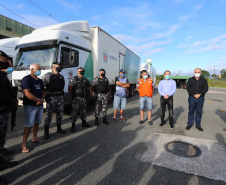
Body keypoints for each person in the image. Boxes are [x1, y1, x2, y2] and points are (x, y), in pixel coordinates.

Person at [0, 51, 18, 175]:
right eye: (5, 60)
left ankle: (1, 154)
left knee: (1, 135)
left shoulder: (3, 77)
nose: (9, 63)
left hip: (4, 111)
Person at [21, 63, 45, 153]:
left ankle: (34, 137)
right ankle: (24, 144)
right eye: (38, 69)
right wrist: (38, 100)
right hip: (30, 106)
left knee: (37, 122)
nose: (40, 70)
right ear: (32, 69)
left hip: (39, 105)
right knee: (29, 125)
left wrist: (42, 99)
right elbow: (27, 93)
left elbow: (43, 91)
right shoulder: (26, 79)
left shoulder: (40, 80)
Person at [42, 62, 66, 139]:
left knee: (60, 113)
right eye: (59, 66)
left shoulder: (61, 77)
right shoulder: (47, 75)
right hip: (51, 97)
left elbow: (62, 86)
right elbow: (42, 87)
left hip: (60, 97)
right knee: (49, 115)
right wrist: (44, 97)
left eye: (60, 66)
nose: (60, 68)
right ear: (53, 67)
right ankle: (46, 131)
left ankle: (59, 128)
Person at [68, 67, 91, 132]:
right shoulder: (74, 79)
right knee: (74, 112)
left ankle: (84, 123)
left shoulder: (85, 79)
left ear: (83, 71)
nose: (80, 72)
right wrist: (73, 95)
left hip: (83, 97)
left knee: (83, 111)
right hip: (76, 98)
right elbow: (70, 88)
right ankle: (73, 125)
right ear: (77, 72)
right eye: (79, 71)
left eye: (81, 71)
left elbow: (87, 87)